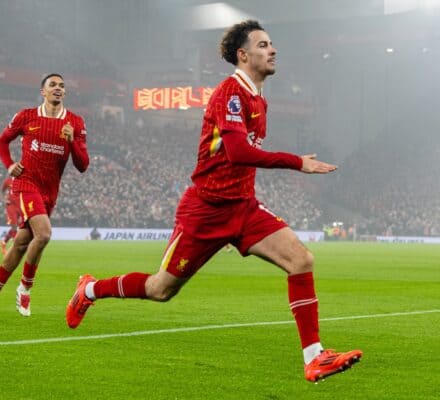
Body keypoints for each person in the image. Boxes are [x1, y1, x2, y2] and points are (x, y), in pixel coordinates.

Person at [65, 21, 362, 383]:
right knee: (161, 289)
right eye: (264, 44)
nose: (273, 50)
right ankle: (90, 289)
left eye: (272, 44)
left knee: (301, 259)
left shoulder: (256, 97)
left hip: (243, 207)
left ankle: (315, 358)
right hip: (205, 210)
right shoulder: (230, 94)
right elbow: (238, 152)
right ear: (243, 54)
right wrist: (297, 162)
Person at [0, 73, 89, 320]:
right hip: (26, 184)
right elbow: (1, 141)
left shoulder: (75, 122)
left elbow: (83, 165)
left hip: (50, 191)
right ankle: (25, 288)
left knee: (21, 243)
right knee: (44, 234)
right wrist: (9, 165)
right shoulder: (26, 116)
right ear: (43, 91)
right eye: (53, 85)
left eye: (62, 85)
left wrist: (73, 141)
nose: (58, 88)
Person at [0, 175, 20, 255]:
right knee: (14, 227)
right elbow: (1, 190)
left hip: (20, 206)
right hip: (11, 206)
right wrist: (4, 200)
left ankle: (4, 242)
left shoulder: (24, 181)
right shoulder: (8, 180)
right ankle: (16, 248)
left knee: (17, 227)